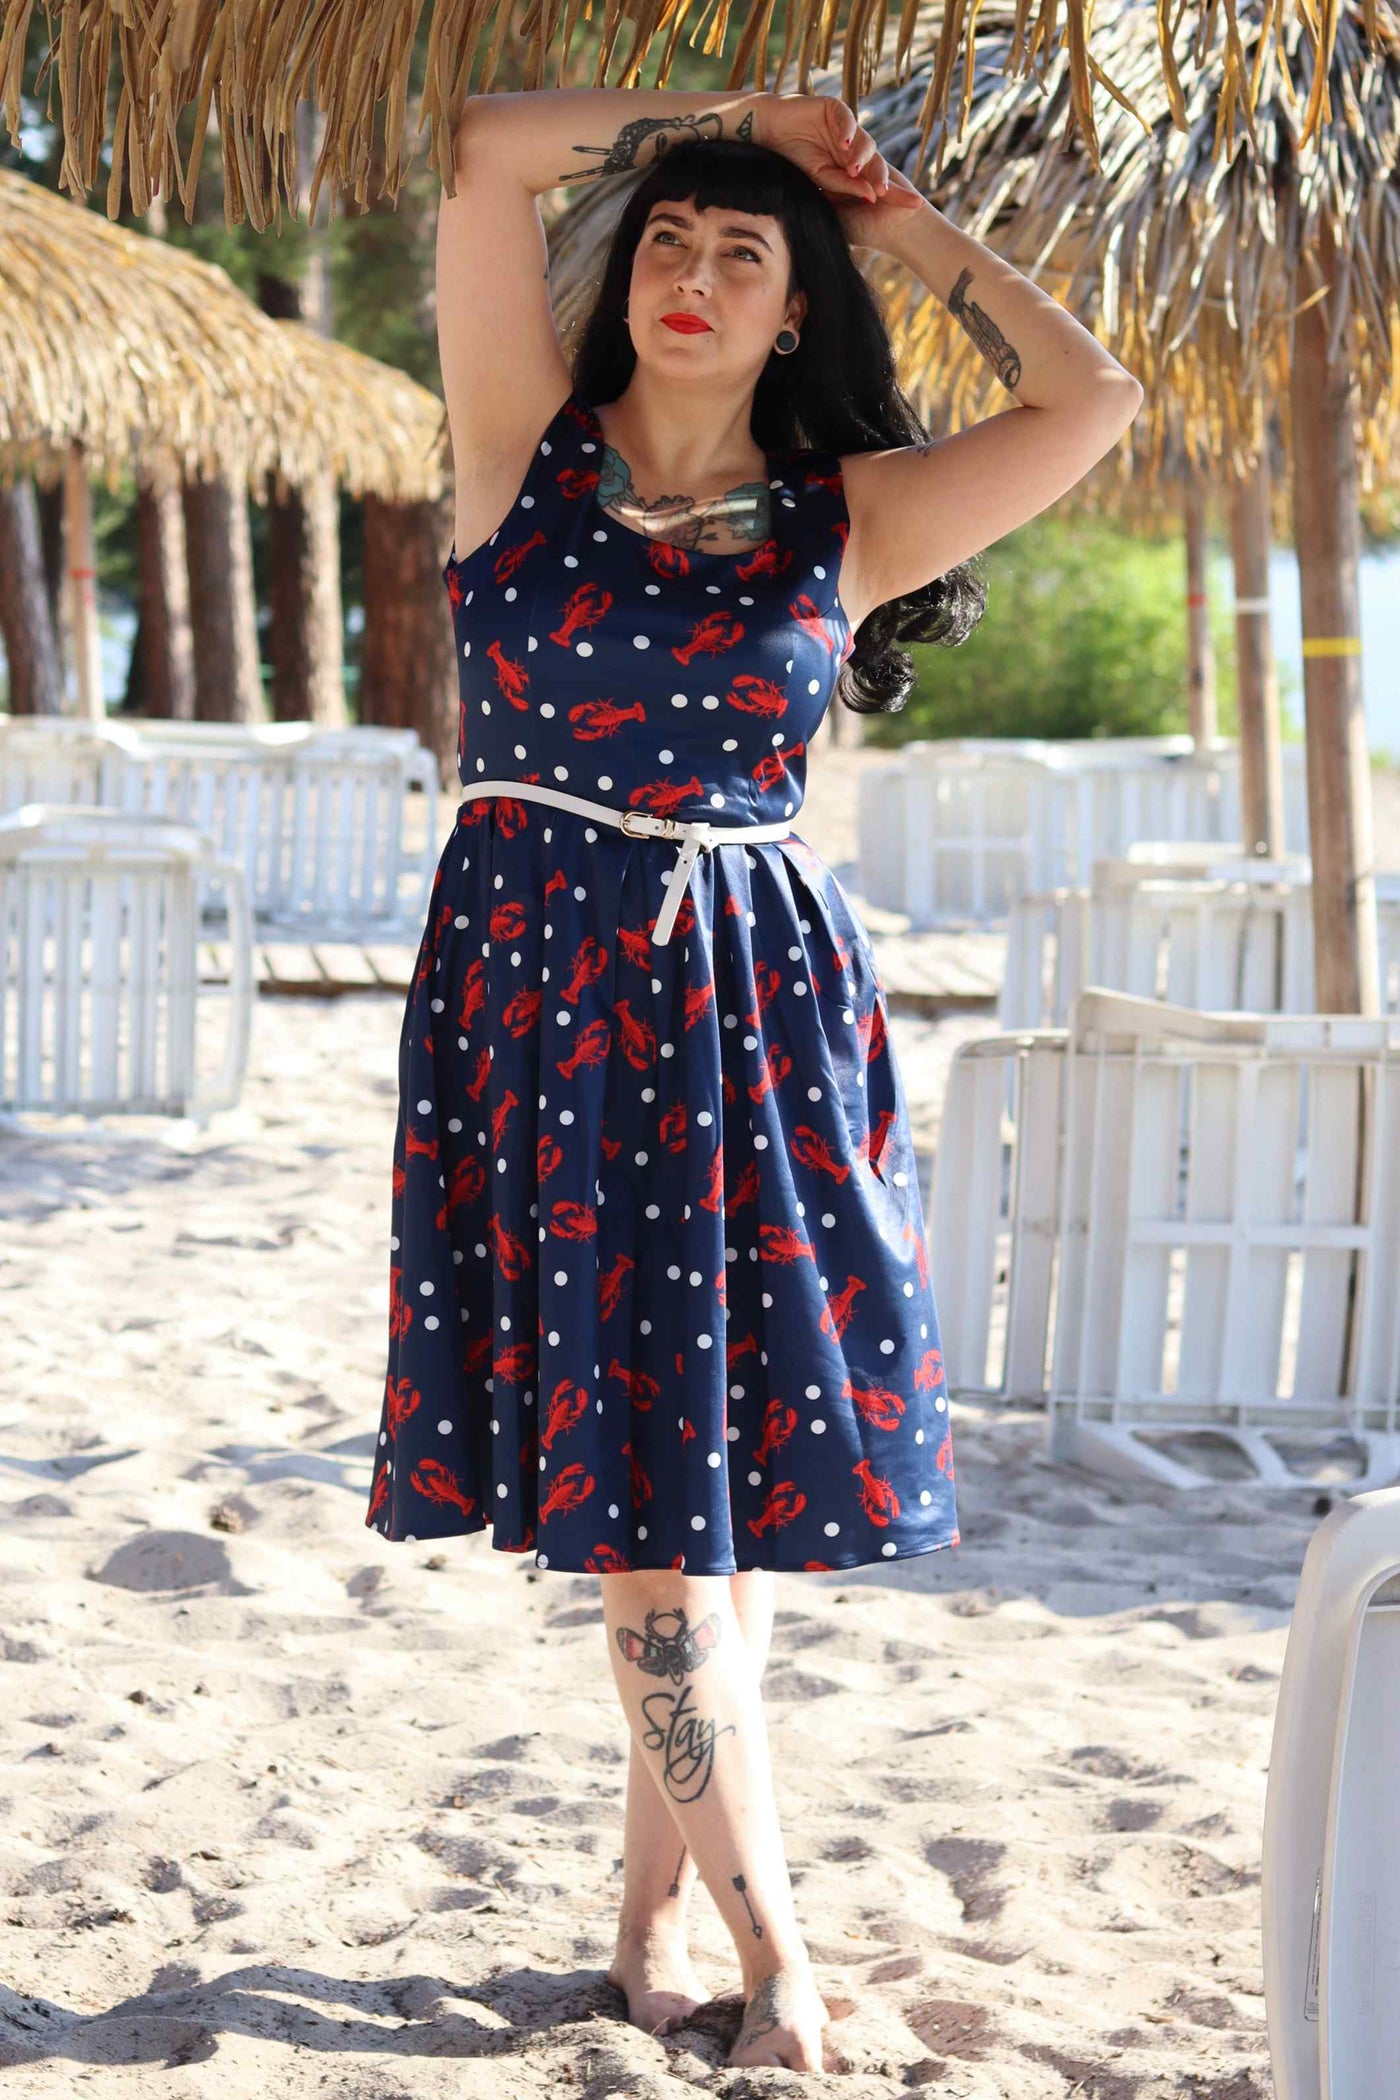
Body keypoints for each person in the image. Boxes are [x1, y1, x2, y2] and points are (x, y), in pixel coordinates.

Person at [363, 84, 1143, 2071]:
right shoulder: (516, 446)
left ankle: (653, 1928)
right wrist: (727, 126)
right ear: (617, 281)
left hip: (751, 1016)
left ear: (797, 311)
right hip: (541, 1006)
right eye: (664, 245)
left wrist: (905, 230)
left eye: (742, 252)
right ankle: (770, 1954)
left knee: (698, 1497)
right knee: (653, 1510)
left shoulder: (844, 522)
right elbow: (481, 148)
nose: (692, 275)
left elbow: (1092, 402)